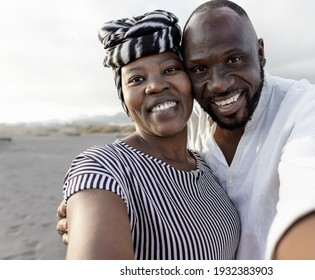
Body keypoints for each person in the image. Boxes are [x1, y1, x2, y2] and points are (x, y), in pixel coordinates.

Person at [58, 0, 315, 259]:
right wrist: (93, 215)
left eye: (234, 60)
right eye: (200, 68)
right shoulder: (112, 164)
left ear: (260, 53)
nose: (218, 85)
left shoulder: (307, 106)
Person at [60, 9, 240, 260]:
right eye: (136, 79)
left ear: (190, 82)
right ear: (124, 98)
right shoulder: (104, 168)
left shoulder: (206, 168)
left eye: (169, 70)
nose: (155, 85)